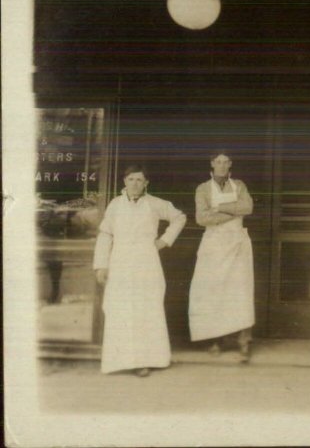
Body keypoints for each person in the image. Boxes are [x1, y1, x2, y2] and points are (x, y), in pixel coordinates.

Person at [93, 165, 186, 377]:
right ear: (124, 181)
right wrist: (101, 265)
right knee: (121, 308)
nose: (135, 183)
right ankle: (119, 360)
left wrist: (164, 241)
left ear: (146, 183)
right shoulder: (115, 205)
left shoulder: (154, 204)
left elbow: (179, 217)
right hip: (120, 263)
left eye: (139, 180)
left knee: (146, 308)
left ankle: (146, 360)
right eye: (131, 179)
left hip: (146, 262)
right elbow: (105, 235)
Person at [188, 150, 255, 363]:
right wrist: (234, 212)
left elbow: (248, 207)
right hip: (214, 246)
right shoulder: (203, 188)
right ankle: (215, 340)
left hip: (237, 244)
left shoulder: (240, 185)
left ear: (231, 164)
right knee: (213, 291)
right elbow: (202, 218)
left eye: (226, 161)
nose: (222, 165)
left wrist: (220, 208)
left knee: (240, 292)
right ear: (212, 163)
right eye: (218, 161)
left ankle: (244, 341)